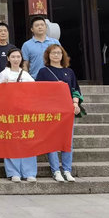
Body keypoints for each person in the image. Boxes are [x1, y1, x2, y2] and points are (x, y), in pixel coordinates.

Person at [36, 44, 80, 182]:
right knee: (52, 141)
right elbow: (38, 91)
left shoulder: (69, 72)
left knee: (67, 141)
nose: (56, 55)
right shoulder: (44, 72)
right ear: (48, 55)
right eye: (53, 53)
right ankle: (55, 170)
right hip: (50, 110)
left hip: (66, 110)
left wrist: (75, 103)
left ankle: (67, 170)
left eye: (59, 53)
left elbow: (75, 90)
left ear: (63, 55)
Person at [0, 47, 37, 182]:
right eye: (13, 57)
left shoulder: (25, 74)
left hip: (25, 112)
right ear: (8, 58)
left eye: (18, 57)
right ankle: (13, 171)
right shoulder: (4, 74)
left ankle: (29, 172)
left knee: (27, 139)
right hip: (9, 112)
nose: (15, 59)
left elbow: (35, 90)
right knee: (11, 140)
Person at [22, 16, 60, 80]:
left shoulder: (55, 42)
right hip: (35, 79)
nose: (40, 27)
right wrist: (27, 79)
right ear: (32, 29)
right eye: (37, 25)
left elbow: (61, 60)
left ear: (46, 27)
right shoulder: (26, 45)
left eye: (42, 25)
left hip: (54, 78)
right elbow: (25, 64)